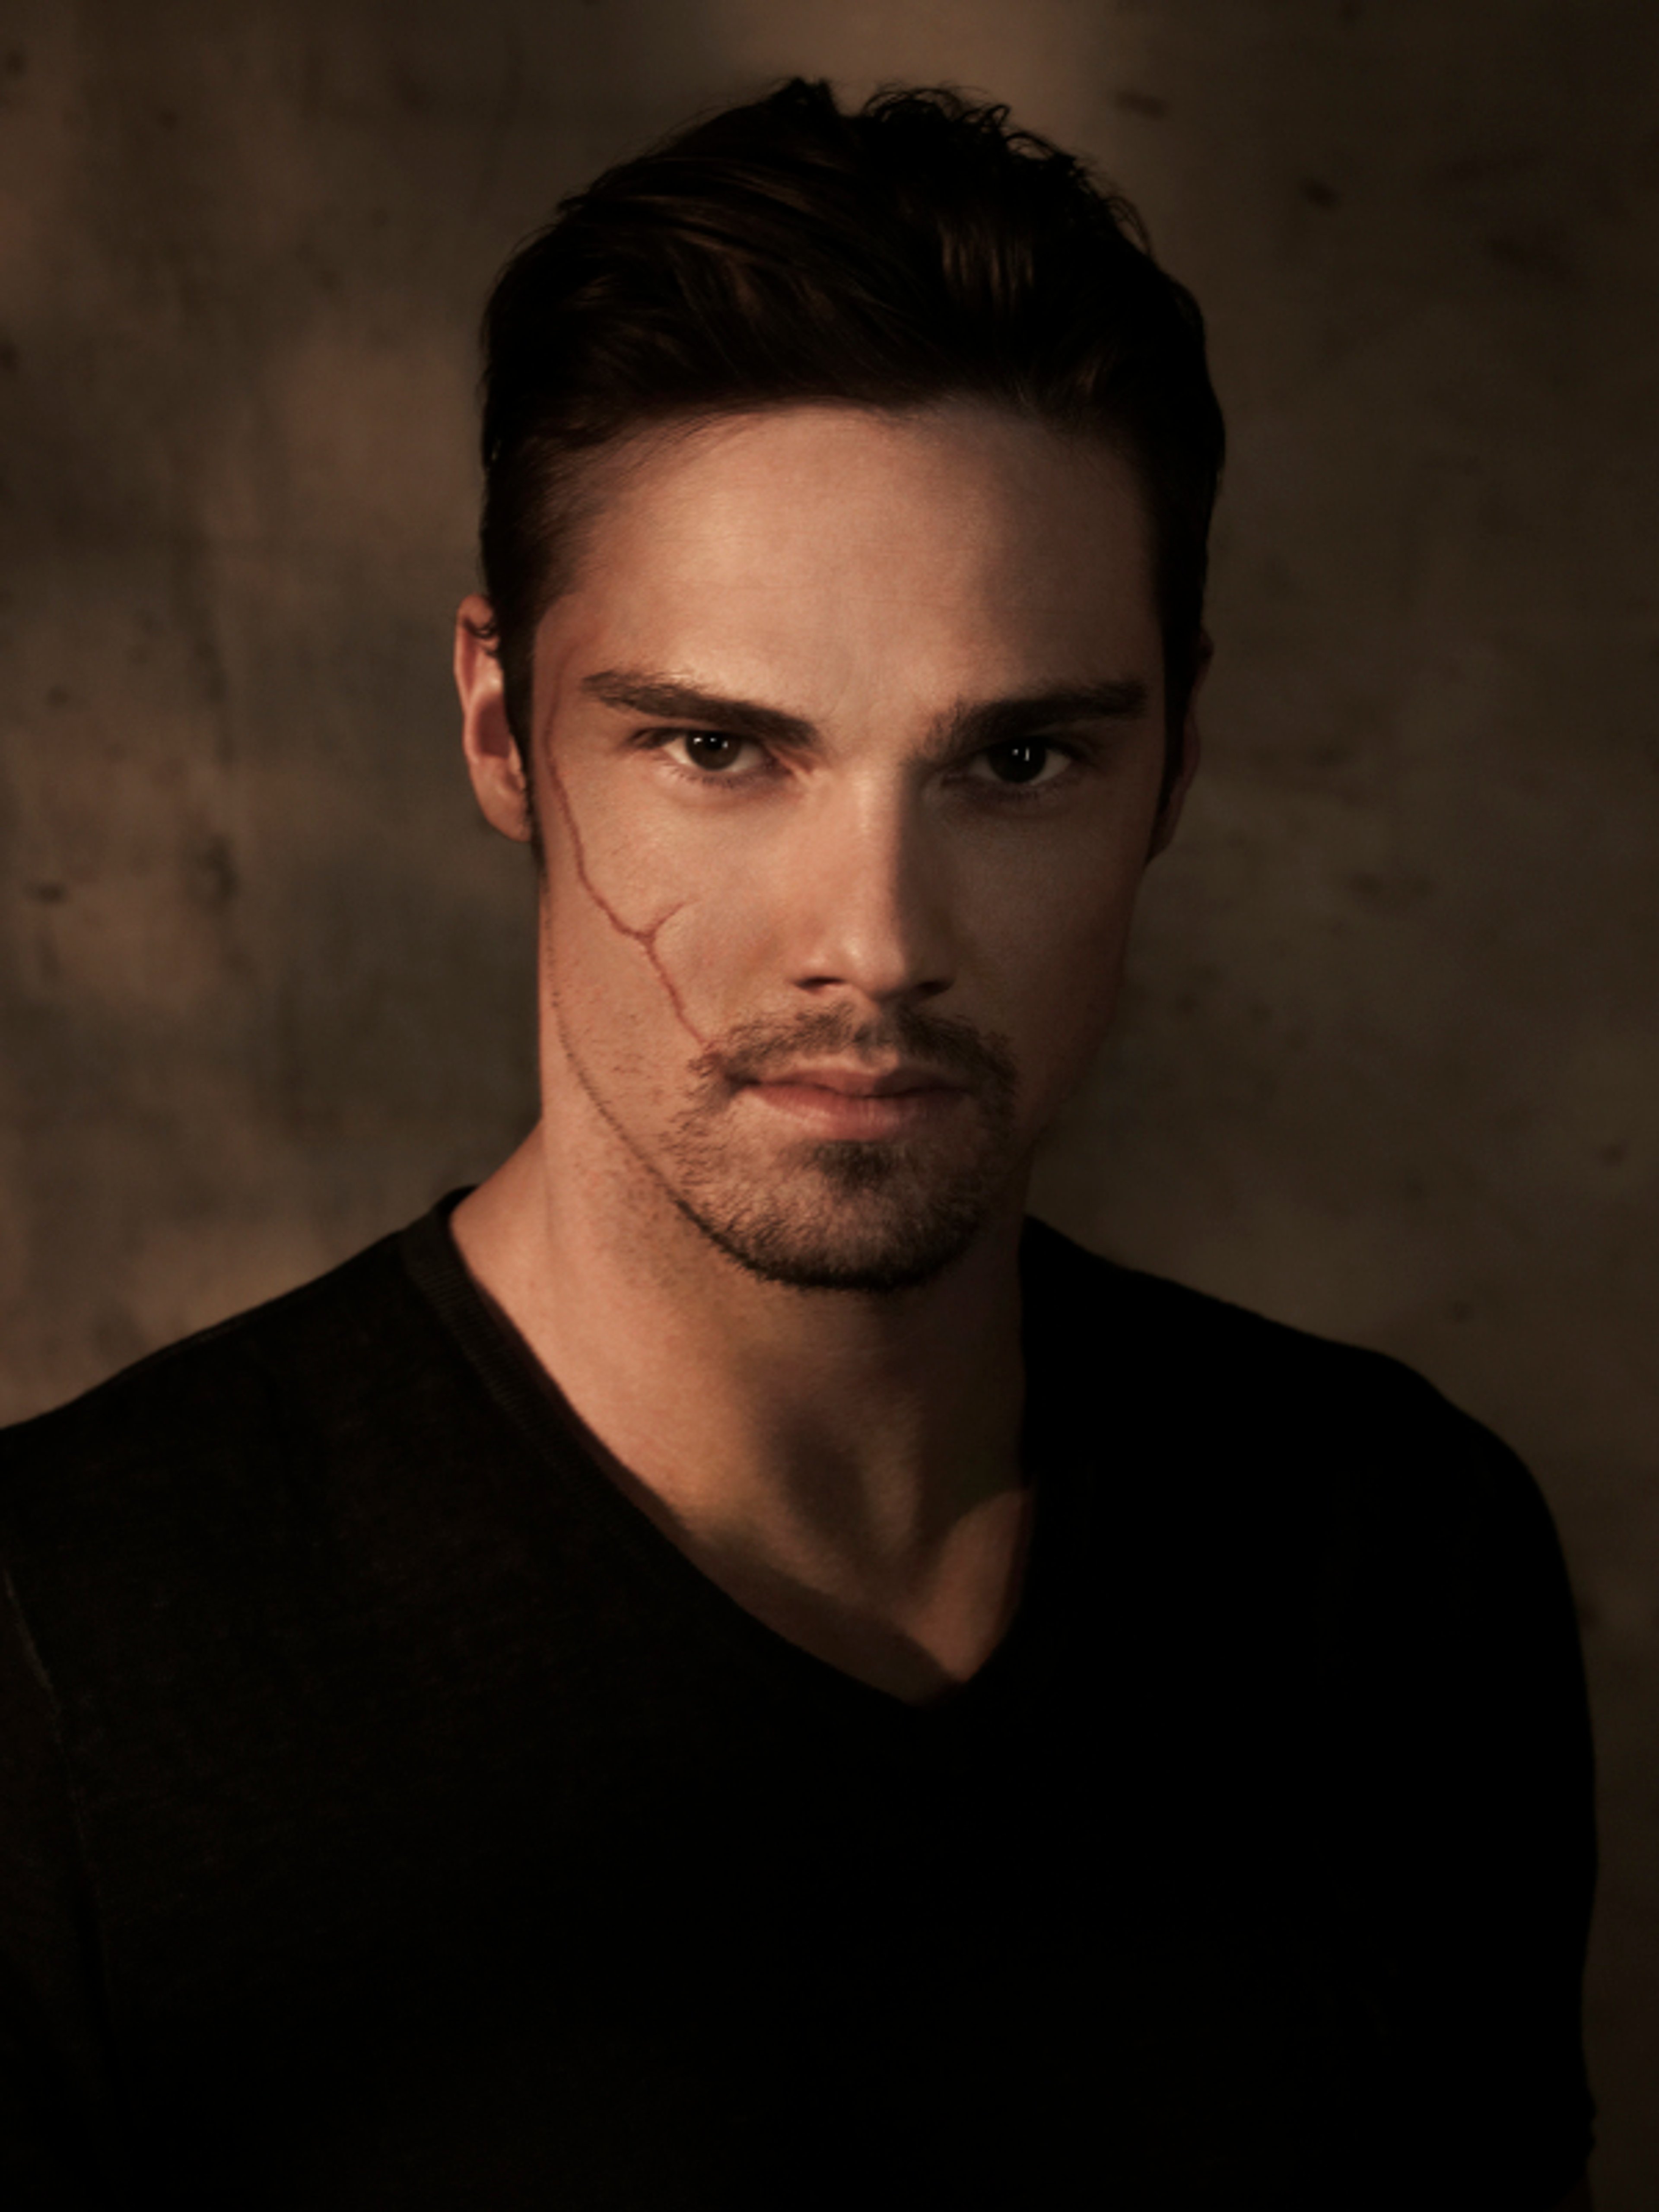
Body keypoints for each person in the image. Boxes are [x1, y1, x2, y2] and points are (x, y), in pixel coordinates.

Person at [0, 79, 1594, 2210]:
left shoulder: (1396, 1562)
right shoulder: (64, 1650)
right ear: (499, 724)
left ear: (1177, 767)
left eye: (1017, 757)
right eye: (718, 747)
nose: (877, 941)